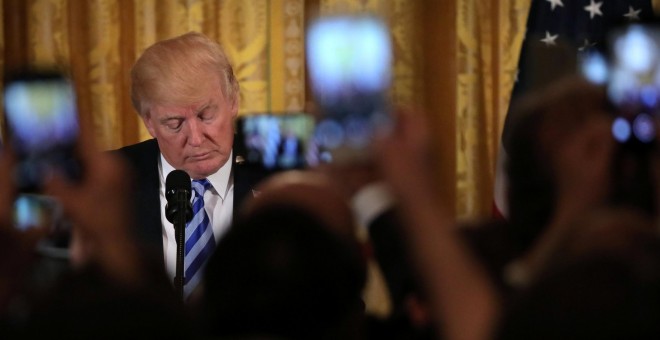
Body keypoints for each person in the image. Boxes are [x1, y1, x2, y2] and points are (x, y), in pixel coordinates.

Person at [114, 32, 263, 301]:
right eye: (174, 123)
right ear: (149, 122)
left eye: (206, 115)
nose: (195, 139)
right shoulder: (110, 179)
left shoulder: (278, 172)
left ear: (233, 101)